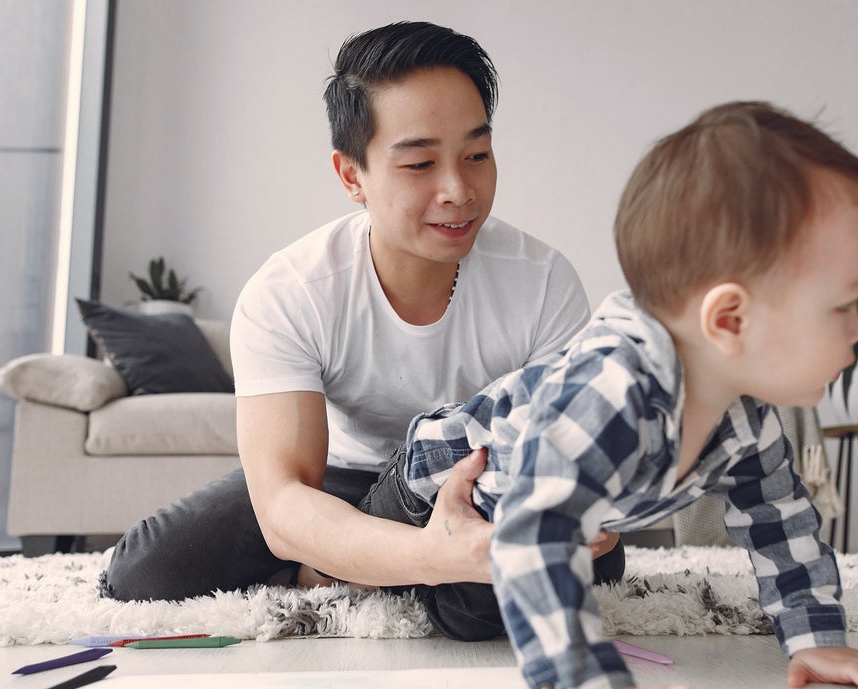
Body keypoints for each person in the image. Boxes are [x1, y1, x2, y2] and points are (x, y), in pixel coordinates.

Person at [356, 100, 858, 689]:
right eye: (844, 305)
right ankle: (311, 561)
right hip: (433, 484)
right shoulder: (613, 394)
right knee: (377, 584)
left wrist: (814, 638)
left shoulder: (745, 417)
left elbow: (781, 519)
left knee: (508, 602)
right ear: (731, 319)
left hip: (526, 520)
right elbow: (536, 537)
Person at [100, 21, 623, 609]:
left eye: (477, 154)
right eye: (420, 165)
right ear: (352, 175)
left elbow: (572, 459)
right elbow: (284, 505)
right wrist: (436, 556)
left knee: (591, 562)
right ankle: (376, 567)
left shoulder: (542, 281)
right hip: (344, 483)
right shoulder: (291, 291)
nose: (459, 189)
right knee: (148, 573)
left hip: (482, 476)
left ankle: (341, 572)